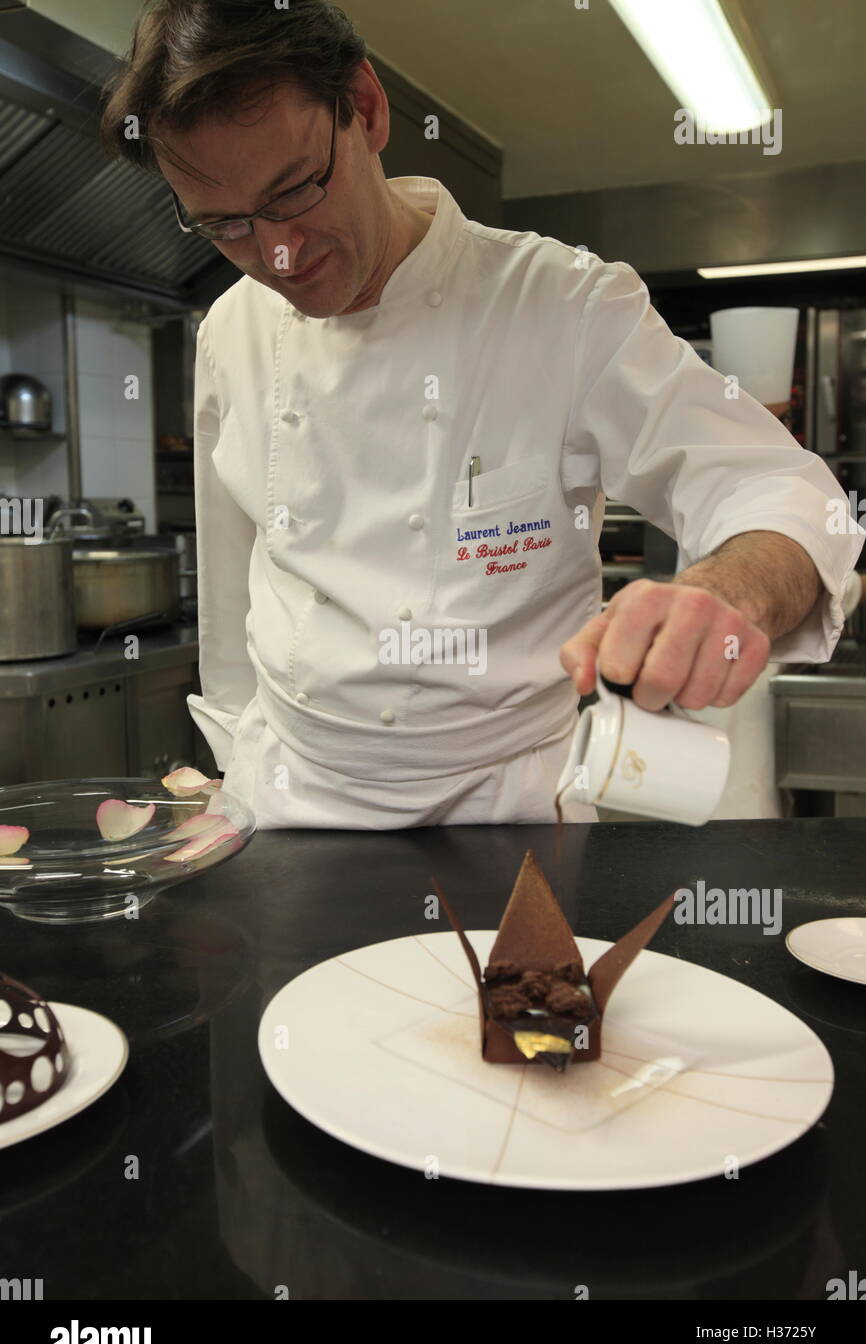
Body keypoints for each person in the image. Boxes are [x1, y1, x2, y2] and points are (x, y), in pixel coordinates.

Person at [100, 0, 863, 829]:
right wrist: (229, 778)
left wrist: (728, 592)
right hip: (290, 813)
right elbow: (228, 600)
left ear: (365, 107)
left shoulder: (568, 305)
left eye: (296, 190)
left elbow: (782, 488)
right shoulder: (230, 332)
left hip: (507, 819)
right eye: (227, 225)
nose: (276, 252)